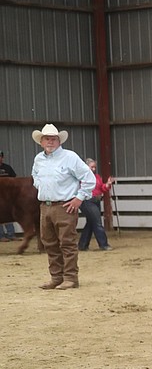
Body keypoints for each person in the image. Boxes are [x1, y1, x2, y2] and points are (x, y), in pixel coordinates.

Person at [30, 123, 95, 290]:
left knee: (67, 242)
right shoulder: (39, 159)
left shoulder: (70, 157)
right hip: (45, 205)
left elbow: (89, 178)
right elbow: (35, 175)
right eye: (47, 139)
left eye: (53, 139)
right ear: (41, 141)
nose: (50, 142)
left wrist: (79, 198)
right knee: (49, 243)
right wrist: (41, 186)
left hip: (64, 206)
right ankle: (57, 277)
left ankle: (71, 278)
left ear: (59, 141)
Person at [78, 158, 114, 251]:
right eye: (92, 167)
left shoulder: (97, 177)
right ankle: (103, 244)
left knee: (91, 222)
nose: (94, 169)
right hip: (87, 200)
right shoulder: (82, 177)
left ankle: (83, 244)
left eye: (94, 167)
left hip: (96, 200)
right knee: (97, 222)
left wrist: (107, 184)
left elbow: (101, 188)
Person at [0, 150, 15, 241]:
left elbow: (14, 180)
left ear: (2, 157)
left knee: (9, 213)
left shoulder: (7, 168)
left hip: (7, 195)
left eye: (0, 156)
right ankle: (1, 236)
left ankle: (11, 234)